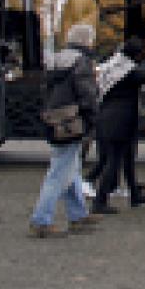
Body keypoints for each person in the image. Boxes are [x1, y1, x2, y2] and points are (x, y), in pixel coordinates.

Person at [29, 23, 101, 237]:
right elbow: (87, 93)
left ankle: (78, 215)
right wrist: (94, 116)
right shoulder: (82, 62)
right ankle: (41, 220)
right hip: (74, 120)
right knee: (59, 171)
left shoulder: (55, 61)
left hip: (55, 118)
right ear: (86, 41)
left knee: (71, 167)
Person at [89, 38, 145, 214]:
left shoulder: (111, 66)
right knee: (115, 160)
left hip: (106, 115)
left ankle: (134, 192)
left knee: (126, 157)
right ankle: (100, 199)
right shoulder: (129, 72)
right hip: (122, 119)